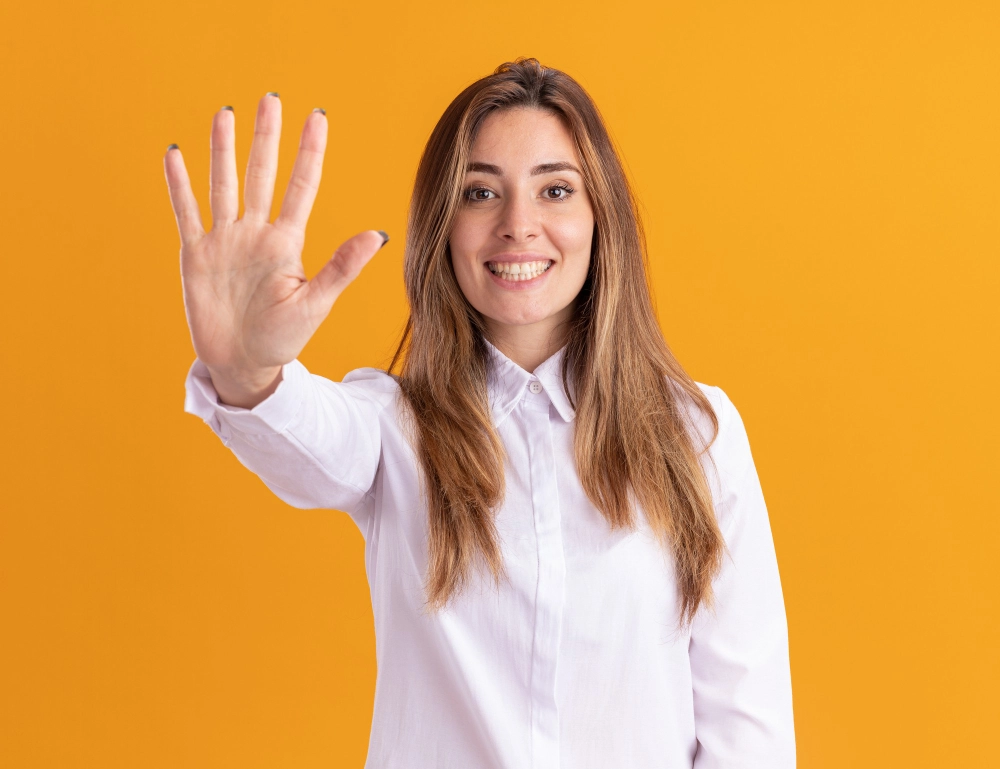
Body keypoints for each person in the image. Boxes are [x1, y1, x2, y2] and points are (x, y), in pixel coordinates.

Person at [164, 58, 795, 768]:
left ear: (600, 217)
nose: (518, 225)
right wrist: (246, 368)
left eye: (555, 189)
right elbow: (308, 435)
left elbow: (750, 731)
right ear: (444, 226)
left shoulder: (698, 432)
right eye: (480, 192)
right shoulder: (392, 429)